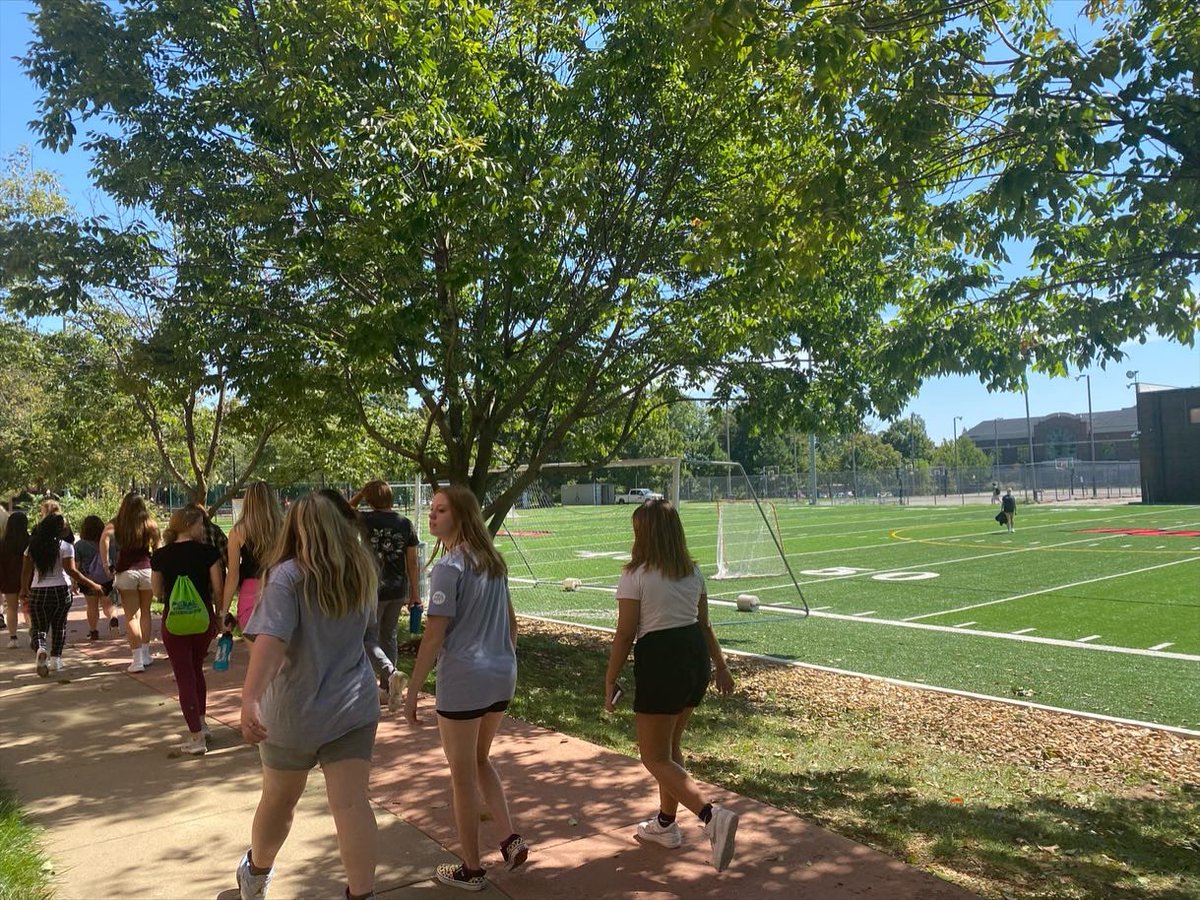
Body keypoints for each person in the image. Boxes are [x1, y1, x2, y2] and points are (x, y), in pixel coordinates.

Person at [237, 493, 381, 900]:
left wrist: (250, 698)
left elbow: (271, 642)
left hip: (292, 714)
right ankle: (362, 894)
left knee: (279, 801)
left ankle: (255, 876)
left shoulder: (286, 576)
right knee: (352, 806)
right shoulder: (361, 572)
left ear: (294, 528)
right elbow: (367, 636)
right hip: (353, 707)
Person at [403, 485, 527, 891]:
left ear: (460, 516)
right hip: (500, 675)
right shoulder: (493, 562)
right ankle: (509, 839)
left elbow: (434, 634)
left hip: (464, 680)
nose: (432, 516)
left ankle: (471, 868)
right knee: (478, 759)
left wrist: (411, 690)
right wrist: (504, 658)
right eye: (432, 509)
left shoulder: (449, 567)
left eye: (441, 510)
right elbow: (511, 624)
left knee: (461, 775)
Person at [604, 498, 739, 872]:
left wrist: (610, 676)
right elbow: (705, 626)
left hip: (661, 660)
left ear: (644, 534)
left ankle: (712, 816)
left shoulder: (636, 575)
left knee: (654, 757)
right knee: (671, 748)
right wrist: (721, 668)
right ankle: (665, 824)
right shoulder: (692, 573)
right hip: (693, 659)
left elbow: (625, 632)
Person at [152, 506, 225, 754]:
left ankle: (195, 737)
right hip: (203, 617)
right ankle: (202, 724)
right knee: (196, 671)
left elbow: (156, 592)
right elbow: (218, 588)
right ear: (192, 525)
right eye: (201, 524)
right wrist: (220, 614)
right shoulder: (208, 553)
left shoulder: (161, 555)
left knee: (183, 675)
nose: (203, 528)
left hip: (175, 620)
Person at [350, 480, 420, 710]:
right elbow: (412, 562)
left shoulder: (365, 520)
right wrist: (415, 593)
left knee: (366, 637)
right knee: (388, 636)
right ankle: (389, 690)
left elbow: (343, 511)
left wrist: (360, 494)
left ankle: (390, 673)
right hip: (399, 588)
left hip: (373, 587)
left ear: (370, 499)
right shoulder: (405, 524)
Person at [20, 513, 104, 676]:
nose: (66, 528)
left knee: (38, 626)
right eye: (63, 526)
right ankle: (56, 659)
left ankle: (40, 649)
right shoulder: (66, 547)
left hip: (38, 590)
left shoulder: (32, 547)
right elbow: (72, 571)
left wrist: (24, 589)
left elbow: (25, 571)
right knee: (59, 626)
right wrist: (93, 585)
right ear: (57, 529)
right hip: (61, 590)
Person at [102, 493, 161, 673]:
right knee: (145, 613)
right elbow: (158, 548)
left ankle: (136, 660)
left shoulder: (117, 524)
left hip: (126, 571)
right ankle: (145, 653)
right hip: (147, 570)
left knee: (131, 616)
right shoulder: (150, 524)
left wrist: (107, 565)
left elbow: (104, 537)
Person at [222, 482, 283, 634]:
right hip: (280, 589)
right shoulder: (285, 527)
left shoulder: (237, 532)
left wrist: (224, 610)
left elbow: (233, 575)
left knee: (256, 656)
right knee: (281, 655)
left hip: (250, 592)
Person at [75, 515, 118, 640]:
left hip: (88, 579)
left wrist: (75, 582)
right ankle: (113, 619)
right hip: (107, 576)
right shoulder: (108, 542)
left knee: (92, 606)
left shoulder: (80, 545)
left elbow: (76, 565)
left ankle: (93, 631)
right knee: (108, 604)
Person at [1, 512, 31, 649]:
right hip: (28, 579)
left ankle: (13, 637)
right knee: (29, 608)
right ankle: (33, 635)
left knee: (11, 608)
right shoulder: (30, 541)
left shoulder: (3, 544)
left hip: (9, 579)